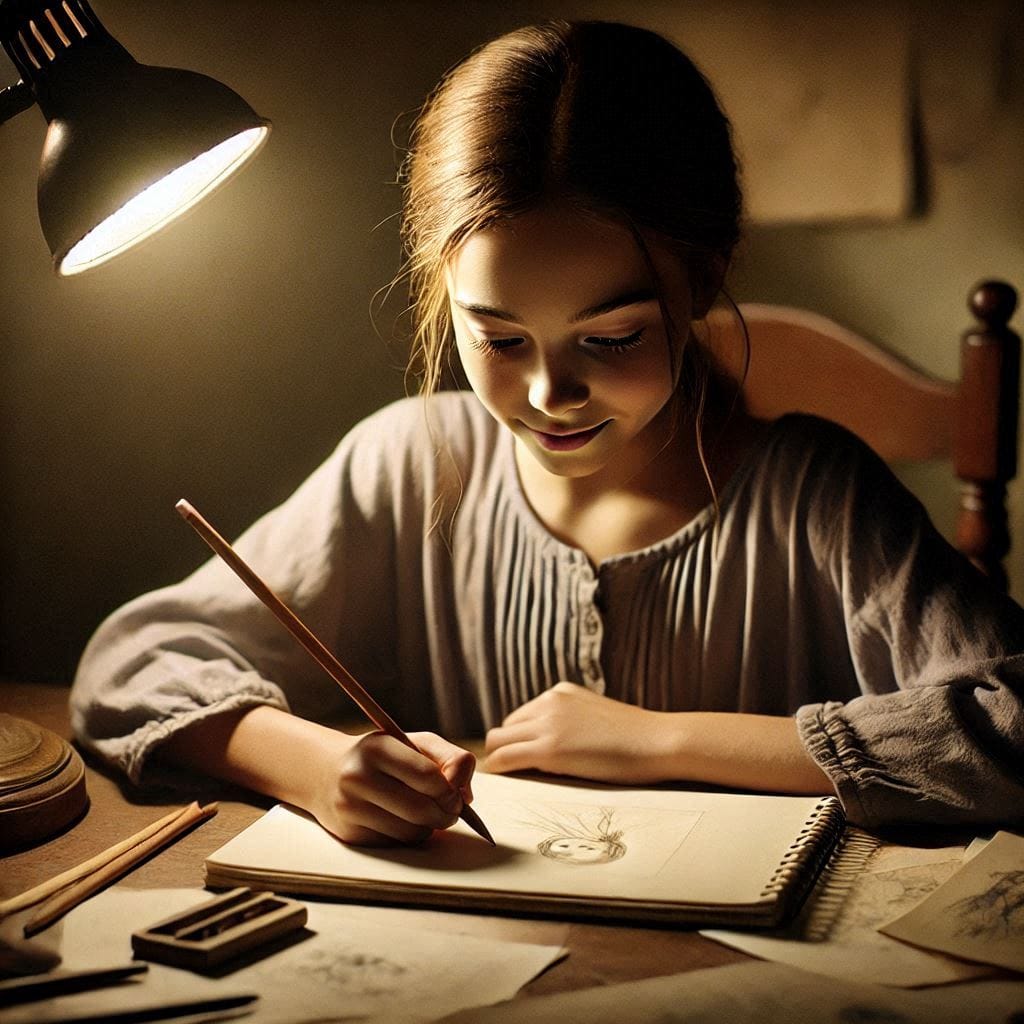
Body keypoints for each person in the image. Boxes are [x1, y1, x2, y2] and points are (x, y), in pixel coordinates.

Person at [70, 20, 1024, 846]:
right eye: (498, 337)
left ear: (704, 277)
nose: (549, 391)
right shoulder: (406, 466)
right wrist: (318, 767)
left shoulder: (813, 498)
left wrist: (662, 740)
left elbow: (1014, 723)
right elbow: (129, 666)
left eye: (611, 338)